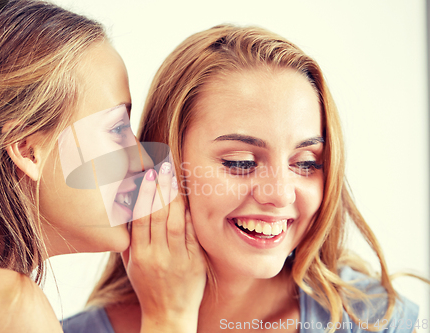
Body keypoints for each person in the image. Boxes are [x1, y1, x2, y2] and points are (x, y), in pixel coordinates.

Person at [64, 25, 422, 333]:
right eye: (241, 162)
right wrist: (168, 320)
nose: (280, 194)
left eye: (306, 163)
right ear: (162, 166)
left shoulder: (376, 321)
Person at [0, 1, 205, 332]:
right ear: (27, 149)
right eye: (117, 128)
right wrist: (170, 317)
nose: (146, 159)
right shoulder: (5, 306)